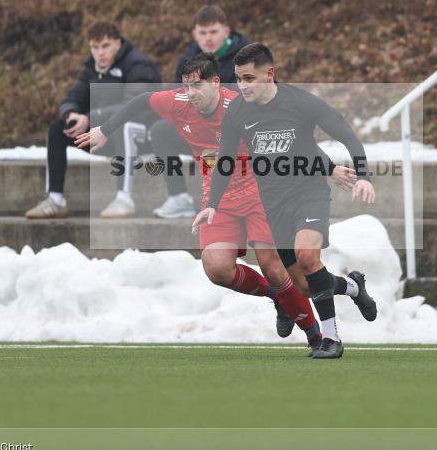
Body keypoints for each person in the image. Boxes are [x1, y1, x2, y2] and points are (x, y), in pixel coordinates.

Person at [76, 53, 358, 352]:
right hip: (219, 198)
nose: (190, 94)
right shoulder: (178, 103)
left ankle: (316, 335)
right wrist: (105, 131)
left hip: (261, 193)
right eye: (185, 86)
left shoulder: (241, 103)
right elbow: (141, 101)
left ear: (215, 83)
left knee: (275, 269)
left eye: (197, 86)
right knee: (216, 269)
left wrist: (330, 169)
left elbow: (296, 139)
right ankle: (277, 297)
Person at [194, 43, 378, 359]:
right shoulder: (238, 111)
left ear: (270, 74)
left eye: (250, 78)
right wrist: (212, 202)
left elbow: (346, 134)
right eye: (238, 79)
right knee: (305, 286)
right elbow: (225, 159)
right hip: (272, 203)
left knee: (307, 255)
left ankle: (330, 339)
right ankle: (353, 287)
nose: (243, 86)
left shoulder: (299, 102)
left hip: (308, 193)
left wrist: (362, 175)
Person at [24, 21, 161, 219]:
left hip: (146, 135)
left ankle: (124, 199)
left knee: (126, 126)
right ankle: (55, 200)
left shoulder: (138, 64)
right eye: (95, 47)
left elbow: (135, 107)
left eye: (105, 46)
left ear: (117, 43)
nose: (100, 53)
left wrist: (90, 118)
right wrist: (71, 115)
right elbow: (72, 99)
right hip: (107, 135)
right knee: (58, 129)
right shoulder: (91, 68)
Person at [150, 5, 251, 219]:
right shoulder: (189, 58)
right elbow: (176, 96)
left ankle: (242, 200)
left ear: (226, 31)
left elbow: (249, 97)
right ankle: (178, 198)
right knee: (160, 130)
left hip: (236, 131)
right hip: (199, 128)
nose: (208, 38)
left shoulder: (246, 55)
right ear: (194, 34)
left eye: (213, 32)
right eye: (202, 33)